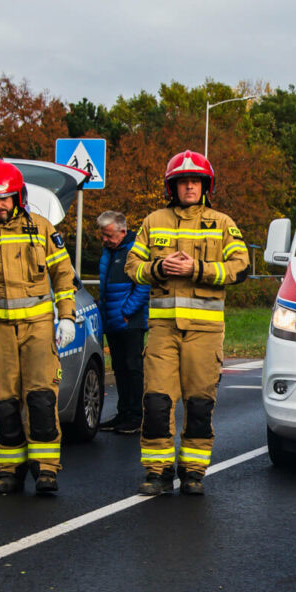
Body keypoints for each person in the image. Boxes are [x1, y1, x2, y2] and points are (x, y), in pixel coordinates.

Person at [125, 150, 250, 496]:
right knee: (156, 402)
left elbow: (241, 267)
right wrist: (157, 268)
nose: (190, 187)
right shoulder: (153, 221)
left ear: (206, 185)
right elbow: (132, 266)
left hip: (204, 332)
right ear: (172, 187)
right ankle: (158, 472)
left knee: (199, 404)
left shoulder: (222, 223)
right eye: (183, 182)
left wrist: (197, 269)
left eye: (196, 181)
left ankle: (193, 472)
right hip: (162, 330)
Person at [0, 159, 78, 495]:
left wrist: (67, 316)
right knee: (2, 402)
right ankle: (10, 470)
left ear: (18, 196)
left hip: (38, 328)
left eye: (4, 198)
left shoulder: (41, 227)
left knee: (41, 399)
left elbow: (63, 276)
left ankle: (46, 469)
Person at [96, 209, 149, 435]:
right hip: (112, 320)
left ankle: (136, 416)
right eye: (103, 234)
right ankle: (123, 413)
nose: (105, 239)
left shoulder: (135, 250)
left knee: (133, 367)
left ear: (123, 231)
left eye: (109, 235)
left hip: (130, 320)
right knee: (119, 368)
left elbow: (143, 285)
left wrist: (127, 311)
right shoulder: (109, 252)